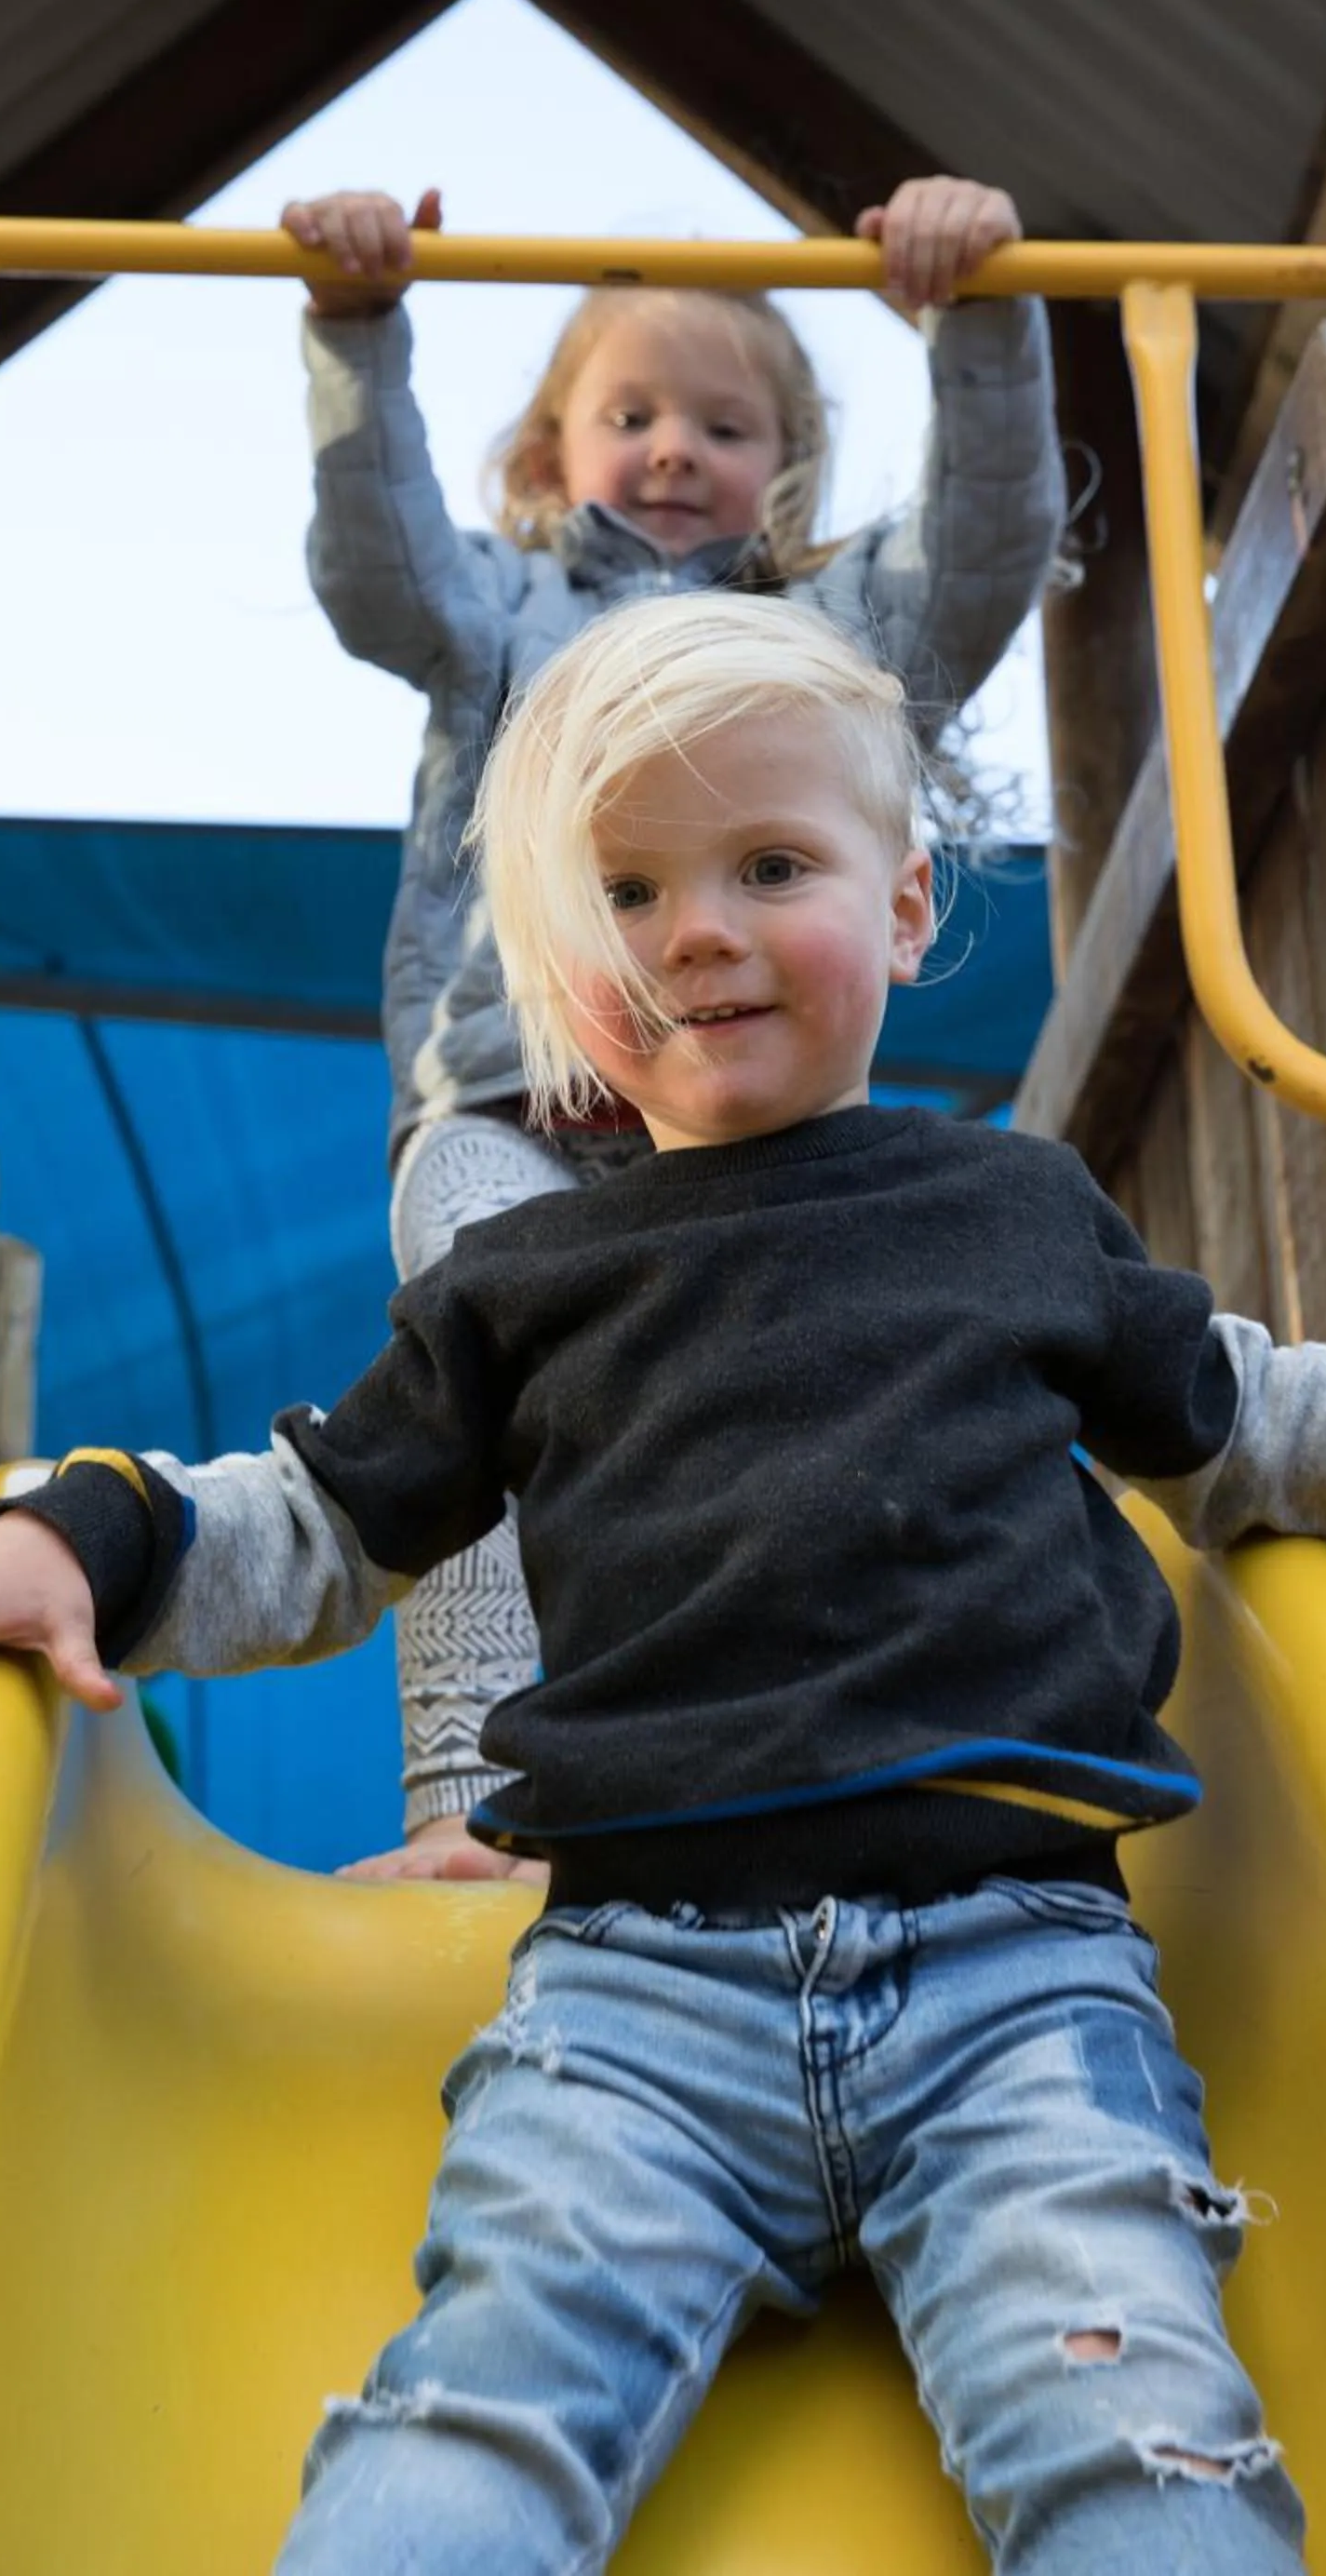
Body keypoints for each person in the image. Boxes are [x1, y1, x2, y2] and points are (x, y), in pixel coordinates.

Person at [0, 594, 1326, 2575]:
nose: (694, 930)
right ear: (550, 970)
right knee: (472, 2418)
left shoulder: (1009, 1208)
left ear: (911, 905)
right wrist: (70, 1534)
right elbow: (323, 1520)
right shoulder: (525, 1285)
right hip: (632, 2000)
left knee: (1132, 2439)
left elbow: (1242, 1413)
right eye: (626, 890)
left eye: (770, 866)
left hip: (1013, 1977)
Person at [279, 174, 1066, 1883]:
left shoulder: (831, 626)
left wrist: (982, 325)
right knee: (476, 1363)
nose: (669, 449)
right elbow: (372, 571)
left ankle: (809, 1753)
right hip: (511, 1082)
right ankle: (471, 1799)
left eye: (723, 423)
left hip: (748, 1128)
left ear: (779, 462)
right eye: (627, 413)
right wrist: (358, 330)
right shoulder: (493, 614)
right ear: (551, 445)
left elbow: (988, 557)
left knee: (784, 1404)